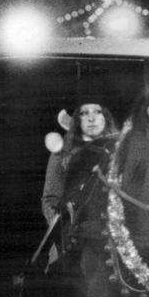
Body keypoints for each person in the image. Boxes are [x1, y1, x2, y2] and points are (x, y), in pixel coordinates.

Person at [41, 101, 120, 260]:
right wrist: (67, 229)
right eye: (84, 114)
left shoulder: (119, 150)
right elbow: (50, 200)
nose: (91, 119)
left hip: (116, 237)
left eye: (97, 112)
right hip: (77, 238)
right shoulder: (63, 153)